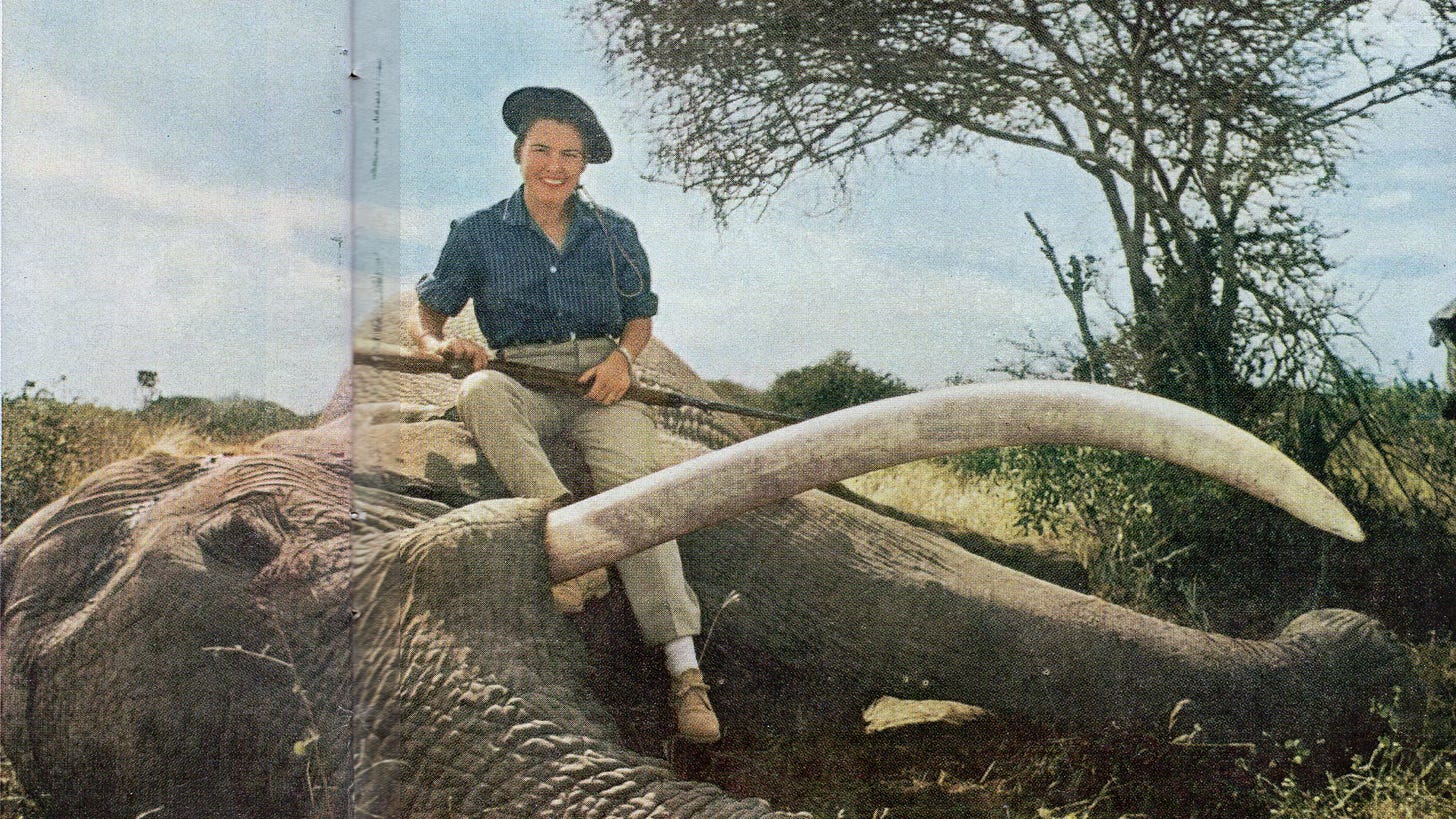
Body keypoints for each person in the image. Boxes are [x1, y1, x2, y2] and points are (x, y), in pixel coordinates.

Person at [410, 86, 719, 744]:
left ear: (585, 165)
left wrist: (623, 362)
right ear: (519, 153)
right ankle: (572, 540)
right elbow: (429, 310)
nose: (555, 165)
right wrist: (441, 346)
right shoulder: (476, 232)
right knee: (479, 393)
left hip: (601, 383)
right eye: (542, 149)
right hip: (521, 376)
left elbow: (640, 315)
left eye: (569, 155)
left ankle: (685, 670)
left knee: (640, 496)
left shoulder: (614, 231)